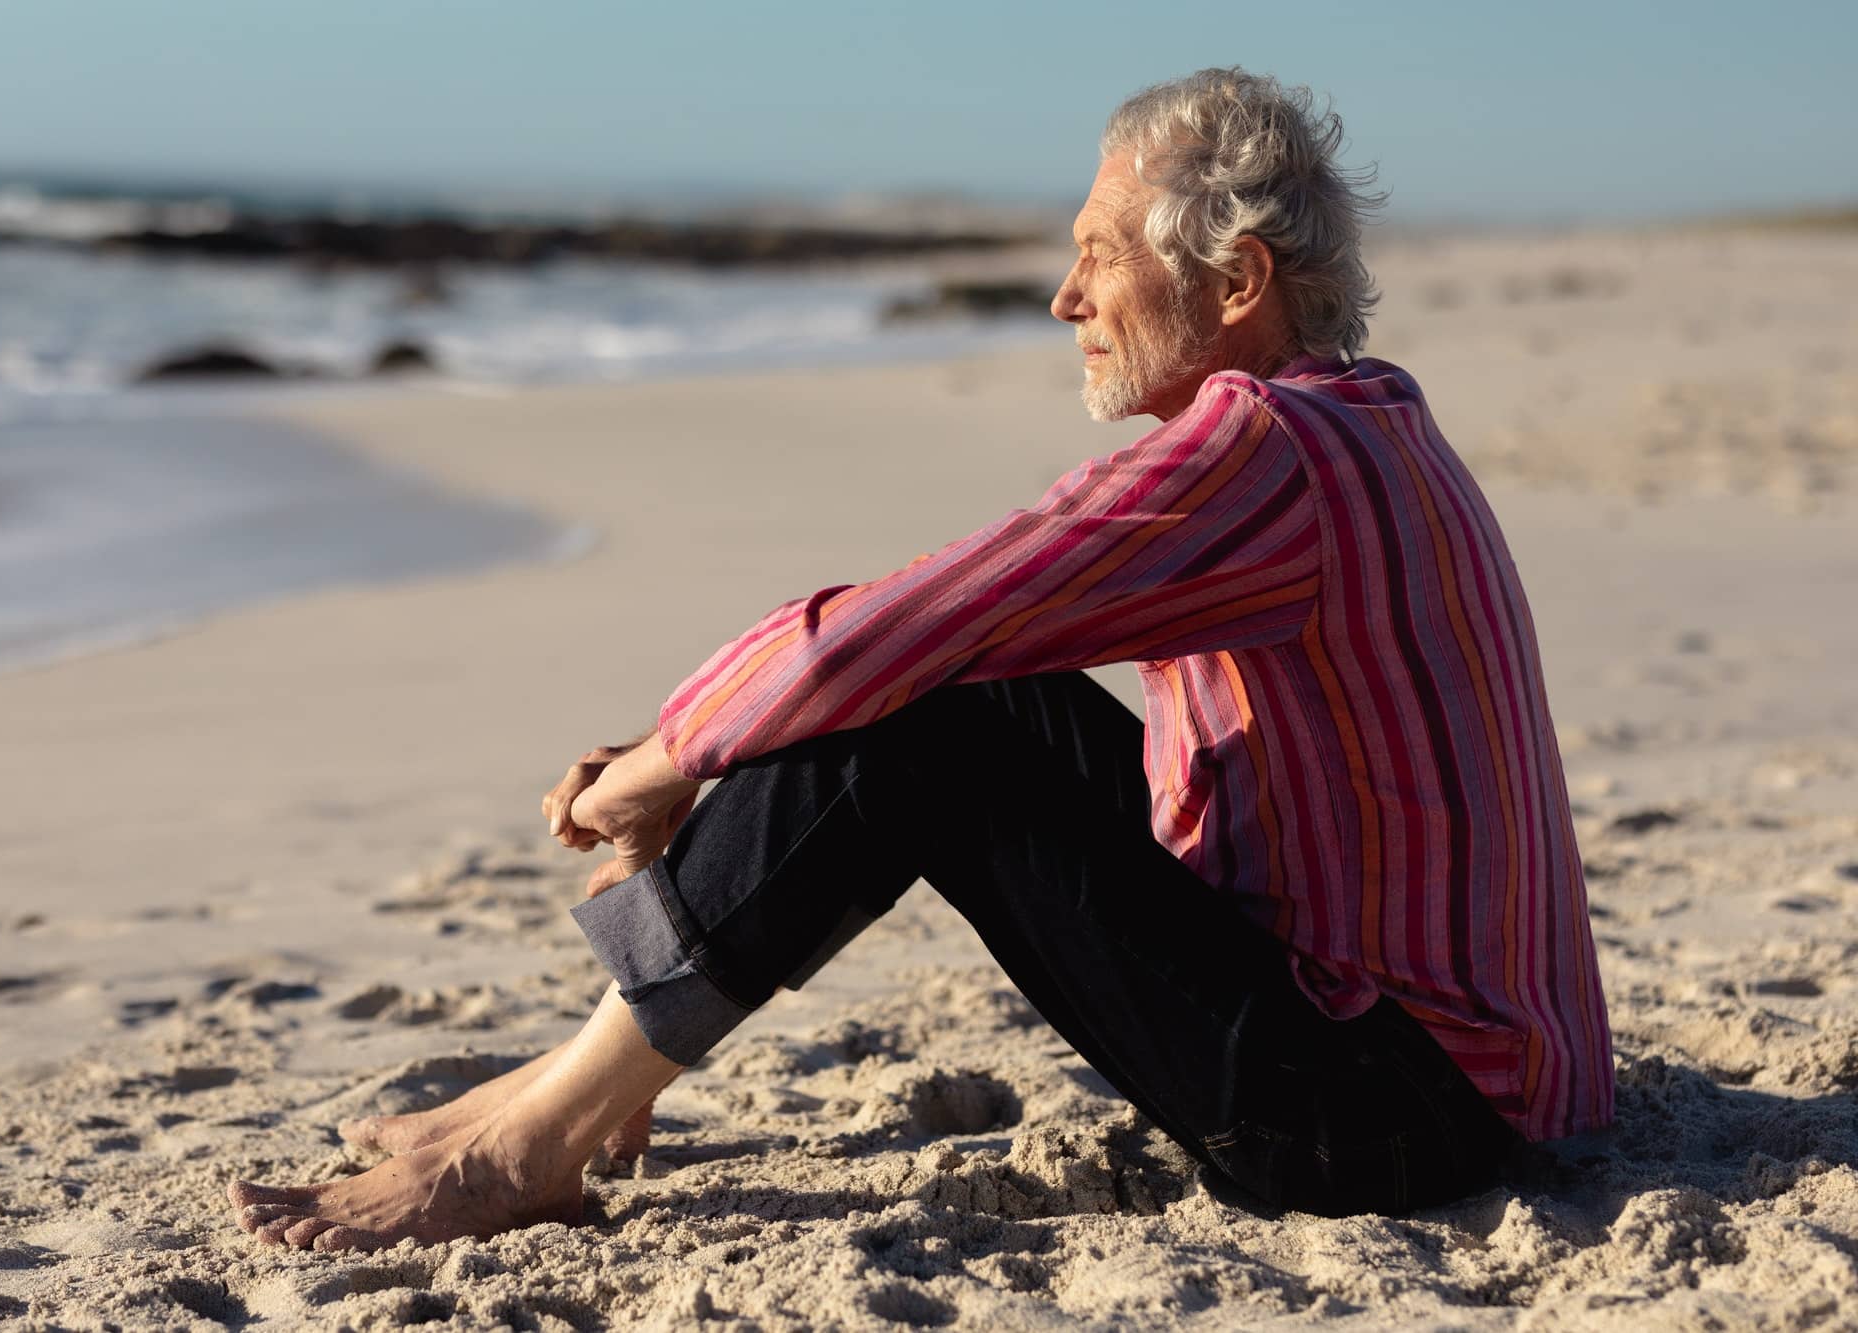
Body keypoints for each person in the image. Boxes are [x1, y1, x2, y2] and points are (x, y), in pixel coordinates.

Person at [228, 67, 1613, 1251]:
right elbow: (945, 637)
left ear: (1237, 280)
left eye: (1100, 254)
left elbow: (916, 619)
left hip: (1395, 1119)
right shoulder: (1364, 421)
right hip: (1465, 1080)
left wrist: (669, 756)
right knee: (958, 691)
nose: (1066, 297)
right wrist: (711, 753)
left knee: (925, 711)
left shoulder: (1275, 455)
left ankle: (542, 1131)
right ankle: (580, 1077)